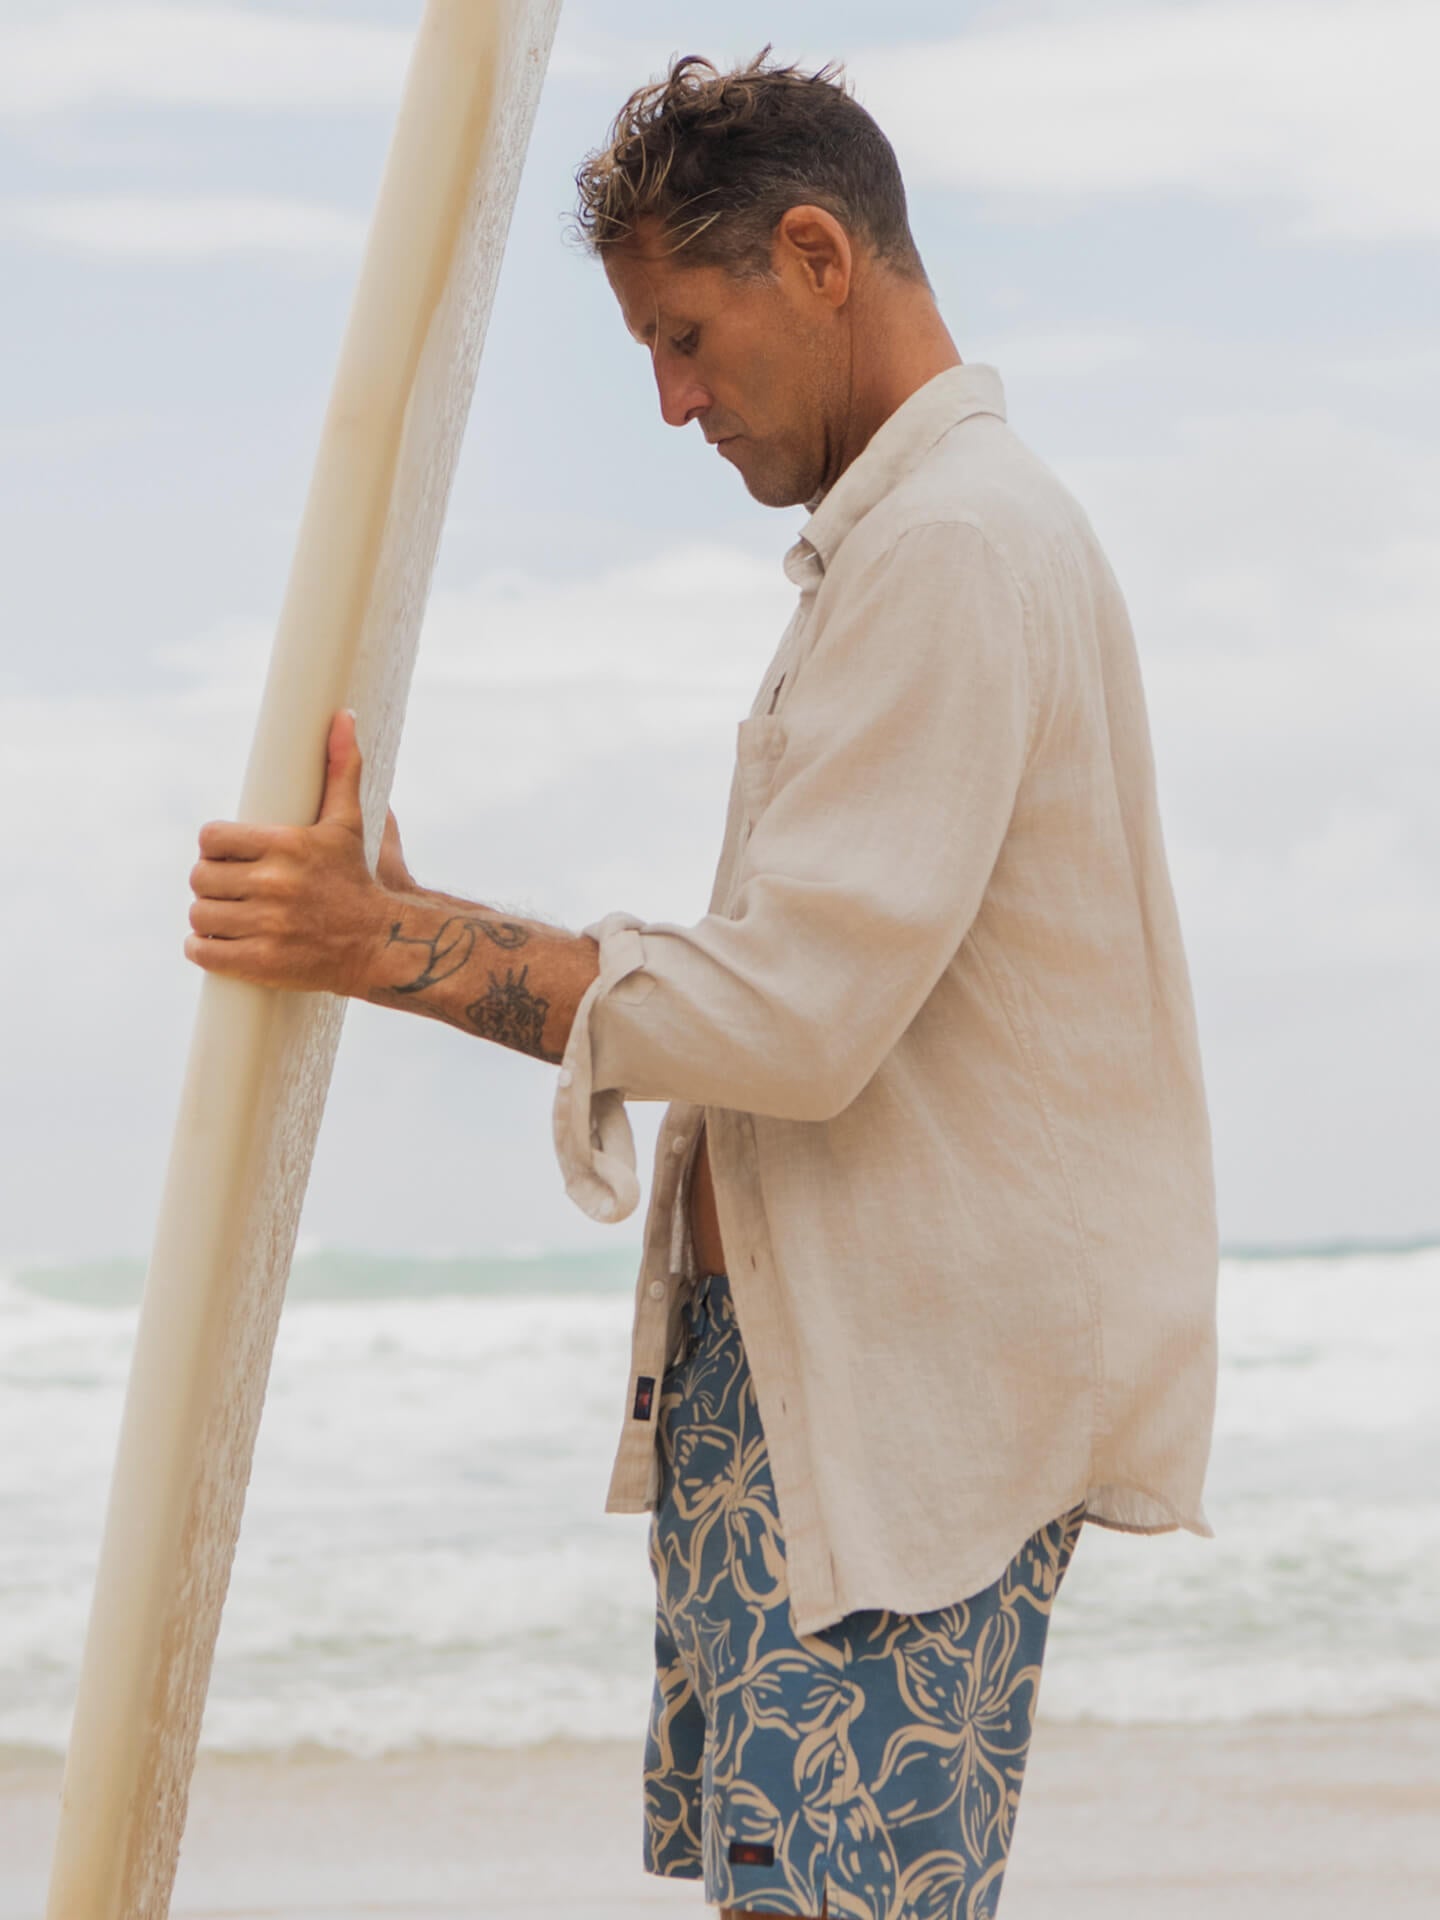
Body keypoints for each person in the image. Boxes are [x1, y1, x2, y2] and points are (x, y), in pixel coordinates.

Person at [187, 50, 1220, 1920]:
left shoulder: (958, 548)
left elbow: (793, 1020)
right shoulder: (910, 545)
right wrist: (423, 935)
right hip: (823, 1414)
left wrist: (388, 951)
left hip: (894, 1435)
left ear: (818, 256)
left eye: (683, 334)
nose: (672, 403)